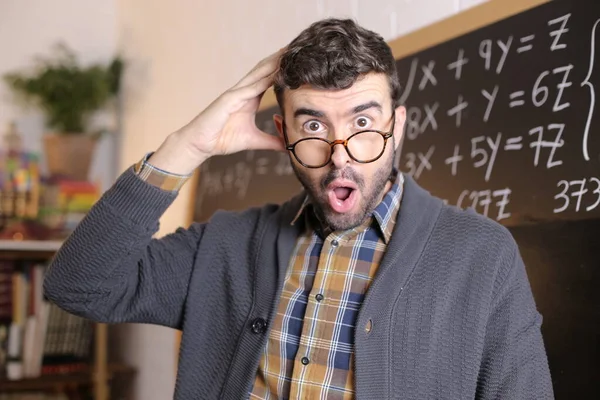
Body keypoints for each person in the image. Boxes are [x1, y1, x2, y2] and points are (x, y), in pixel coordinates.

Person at [43, 18, 554, 400]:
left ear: (397, 126)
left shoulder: (482, 255)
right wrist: (187, 146)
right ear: (282, 133)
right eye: (313, 127)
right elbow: (77, 284)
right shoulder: (226, 243)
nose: (340, 154)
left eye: (362, 122)